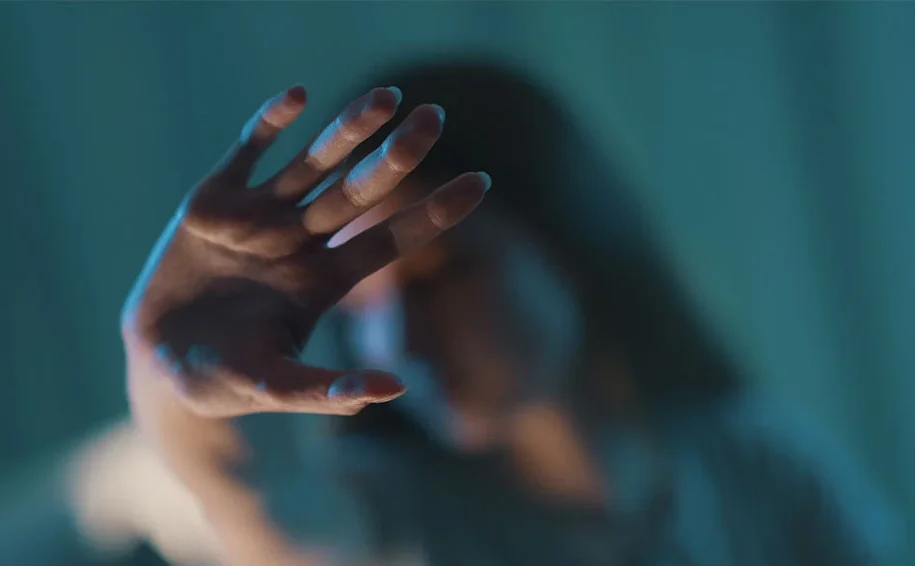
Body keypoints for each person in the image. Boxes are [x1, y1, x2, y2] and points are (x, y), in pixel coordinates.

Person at [121, 55, 901, 566]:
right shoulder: (390, 520)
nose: (399, 341)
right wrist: (173, 373)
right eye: (360, 308)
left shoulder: (754, 465)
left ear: (567, 242)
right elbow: (256, 498)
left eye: (443, 276)